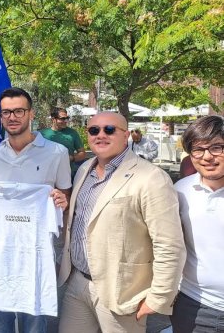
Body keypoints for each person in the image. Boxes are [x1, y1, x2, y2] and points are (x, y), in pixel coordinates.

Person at [58, 111, 185, 333]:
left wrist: (158, 297)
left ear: (126, 134)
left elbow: (169, 244)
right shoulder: (84, 170)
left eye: (109, 129)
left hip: (122, 291)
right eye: (94, 130)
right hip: (77, 283)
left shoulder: (151, 177)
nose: (101, 135)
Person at [0, 87, 71, 333]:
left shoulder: (57, 153)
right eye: (6, 112)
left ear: (31, 114)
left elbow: (65, 195)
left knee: (34, 322)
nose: (12, 117)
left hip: (36, 250)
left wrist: (60, 200)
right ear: (1, 117)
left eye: (19, 111)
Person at [170, 115, 224, 332]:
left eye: (217, 147)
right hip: (196, 307)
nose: (207, 157)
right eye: (198, 149)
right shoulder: (179, 191)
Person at [40, 107, 86, 177]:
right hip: (47, 175)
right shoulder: (43, 134)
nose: (65, 121)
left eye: (67, 118)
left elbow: (82, 154)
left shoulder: (72, 133)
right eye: (62, 119)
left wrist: (71, 158)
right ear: (53, 119)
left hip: (68, 175)